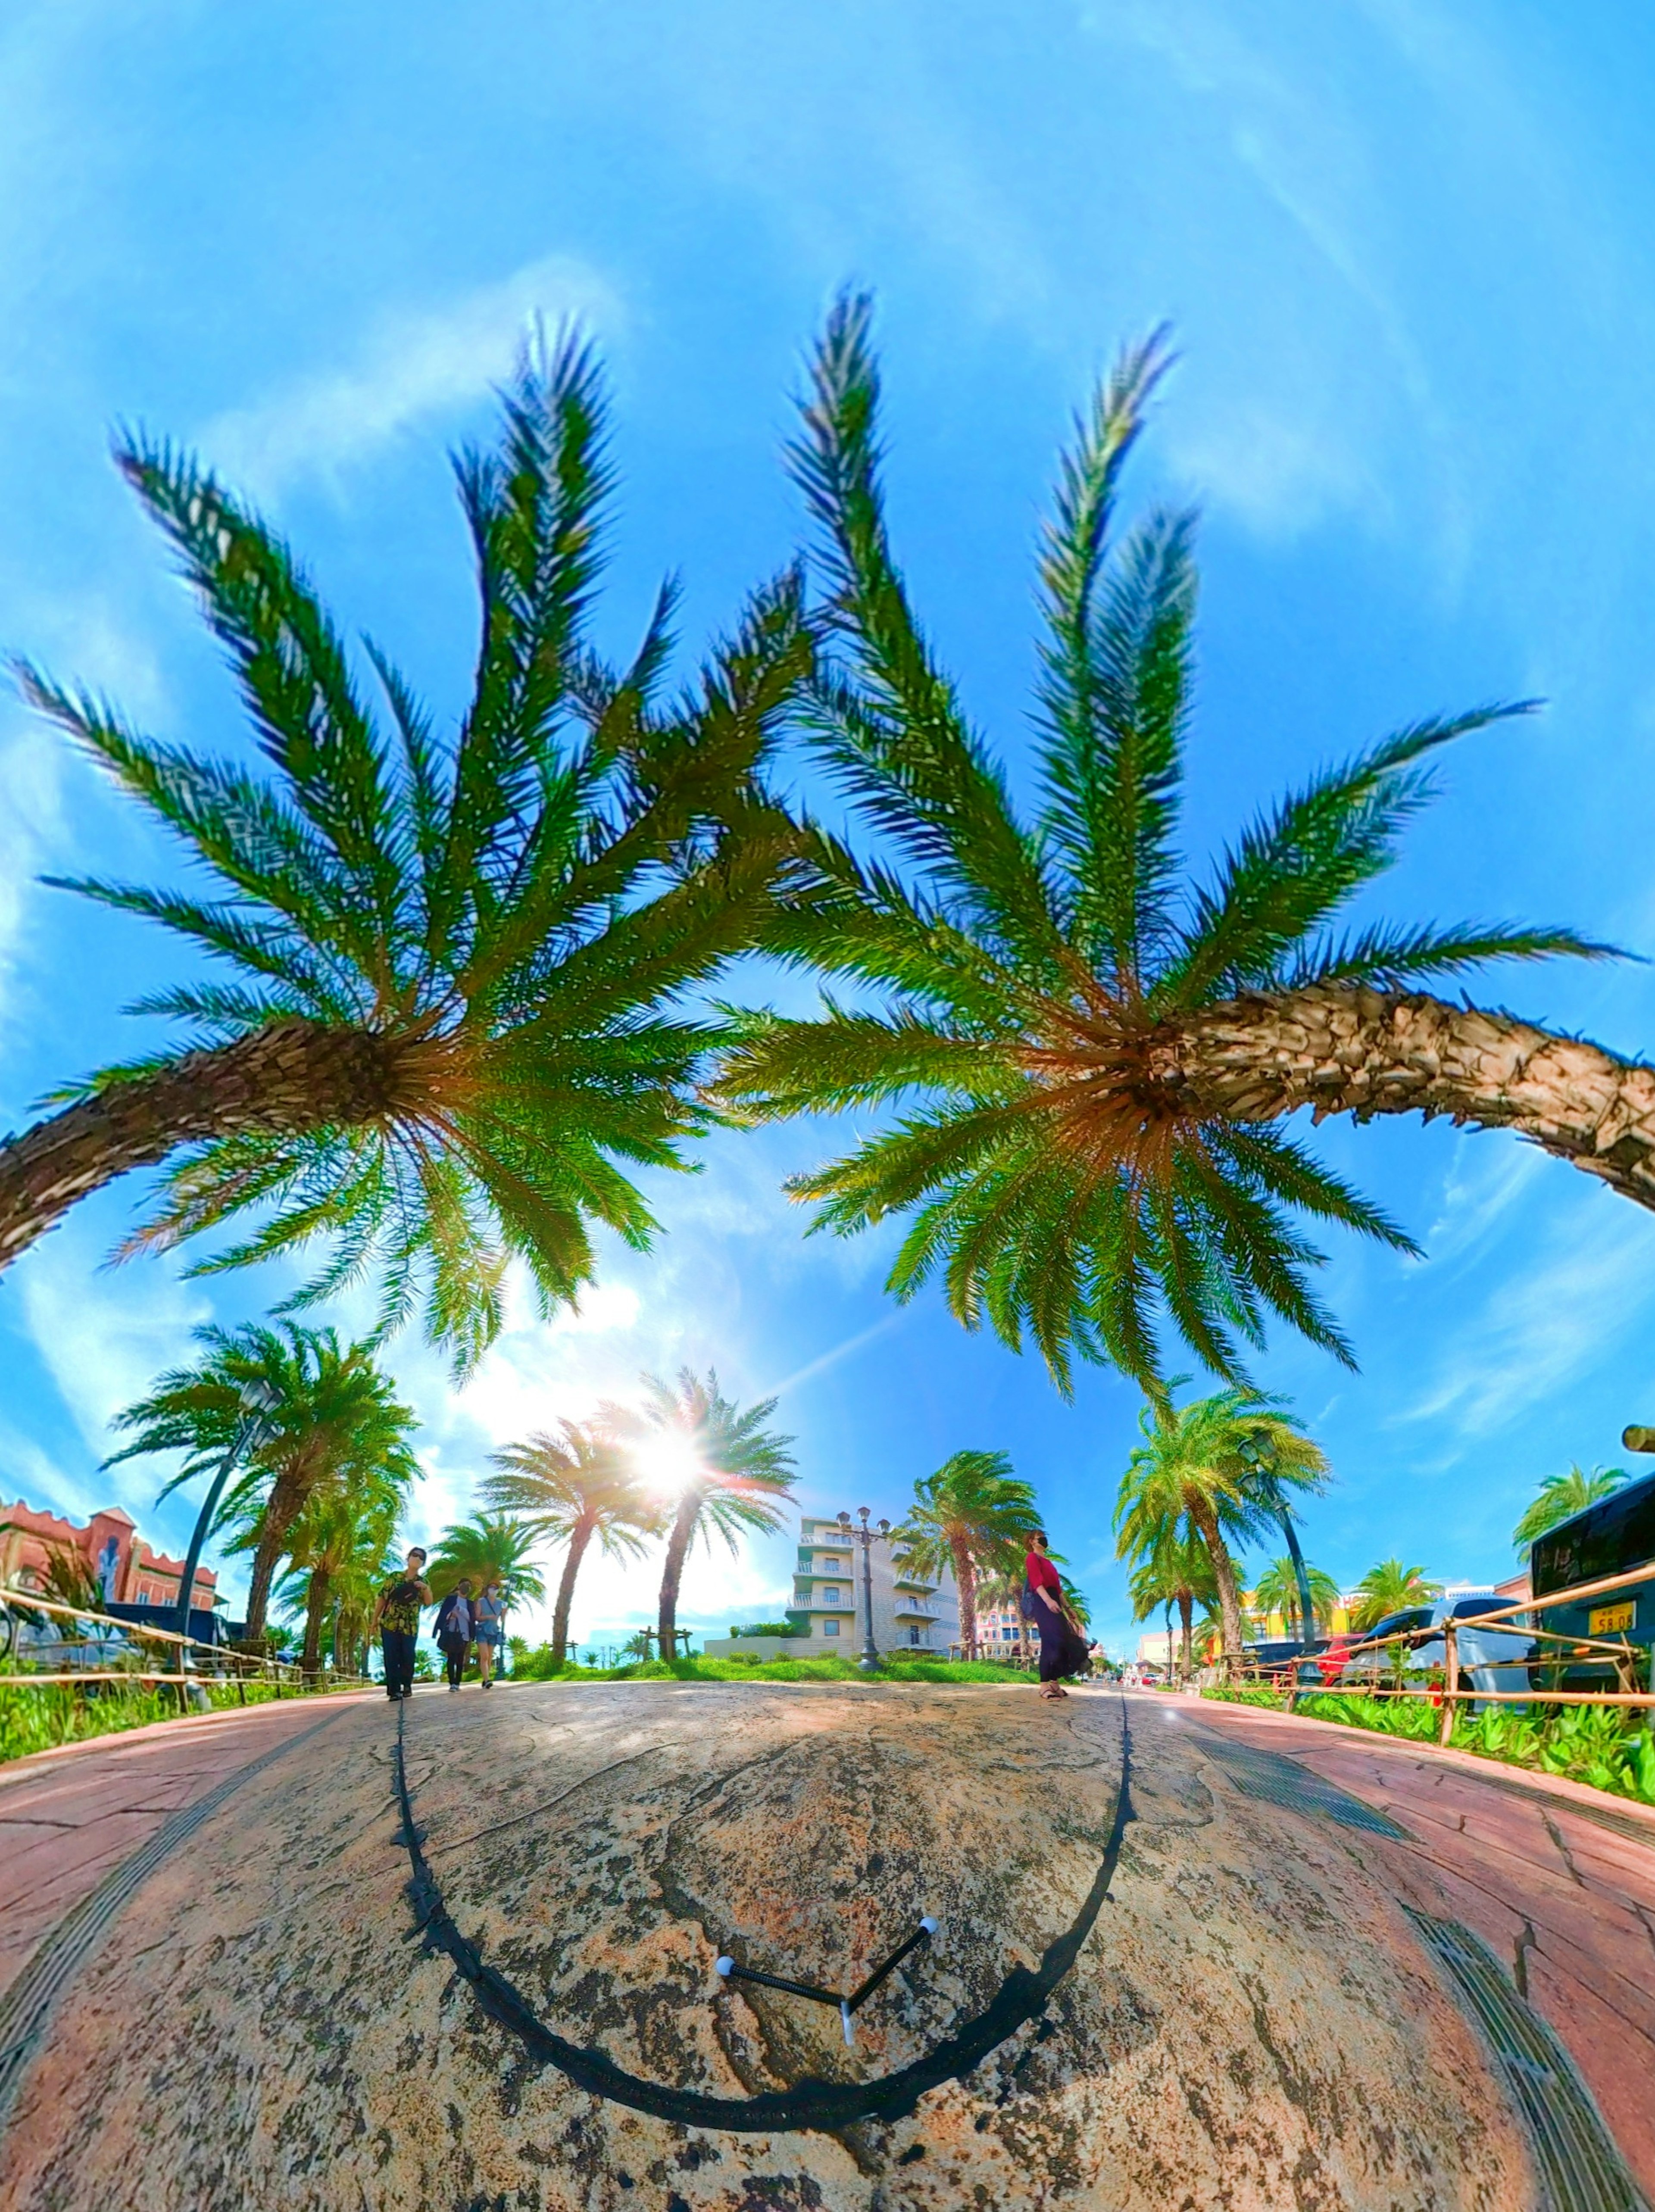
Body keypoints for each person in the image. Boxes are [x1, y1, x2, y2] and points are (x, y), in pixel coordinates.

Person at [371, 1548, 431, 1701]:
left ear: (423, 1563)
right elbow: (382, 1598)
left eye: (421, 1558)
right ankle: (394, 1691)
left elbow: (429, 1602)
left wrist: (425, 1589)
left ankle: (407, 1686)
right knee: (391, 1656)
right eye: (415, 1555)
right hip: (390, 1623)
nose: (417, 1559)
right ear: (408, 1557)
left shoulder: (423, 1582)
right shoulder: (394, 1577)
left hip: (410, 1626)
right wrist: (374, 1620)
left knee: (408, 1656)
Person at [1024, 1530, 1071, 1703]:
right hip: (1042, 1601)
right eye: (1040, 1537)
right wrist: (1048, 1601)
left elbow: (1058, 1589)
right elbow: (1037, 1583)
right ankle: (1044, 1685)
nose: (1044, 1539)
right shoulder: (1032, 1558)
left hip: (1054, 1600)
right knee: (1050, 1642)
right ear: (1032, 1541)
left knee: (1061, 1643)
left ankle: (1054, 1683)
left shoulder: (1049, 1563)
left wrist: (1068, 1608)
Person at [433, 1578, 474, 1691]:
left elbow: (471, 1618)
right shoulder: (450, 1600)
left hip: (464, 1634)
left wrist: (460, 1610)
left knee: (460, 1659)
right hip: (451, 1633)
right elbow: (443, 1614)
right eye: (465, 1584)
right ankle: (452, 1684)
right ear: (459, 1585)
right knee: (451, 1658)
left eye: (469, 1586)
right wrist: (451, 1614)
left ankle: (458, 1683)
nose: (467, 1587)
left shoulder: (470, 1603)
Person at [472, 1578, 506, 1688]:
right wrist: (488, 1617)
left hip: (494, 1631)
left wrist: (505, 1612)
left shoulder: (502, 1603)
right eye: (491, 1587)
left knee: (490, 1657)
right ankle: (487, 1681)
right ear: (488, 1589)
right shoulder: (481, 1601)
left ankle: (486, 1679)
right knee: (485, 1656)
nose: (493, 1590)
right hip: (482, 1631)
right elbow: (477, 1617)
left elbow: (503, 1620)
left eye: (496, 1588)